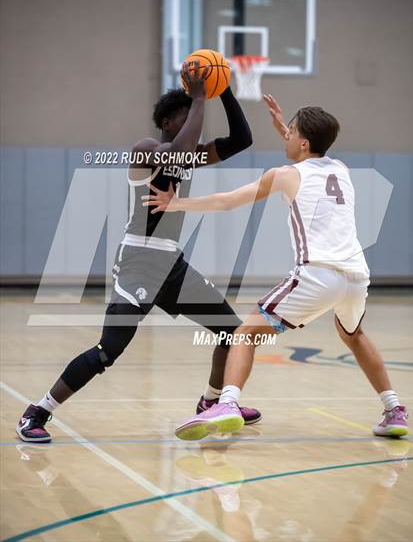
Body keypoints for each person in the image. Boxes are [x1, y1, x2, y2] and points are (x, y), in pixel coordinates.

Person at [16, 63, 261, 443]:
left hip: (172, 263)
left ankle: (212, 402)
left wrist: (223, 89)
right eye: (186, 114)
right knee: (107, 351)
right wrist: (199, 95)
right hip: (139, 262)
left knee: (232, 333)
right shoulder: (147, 150)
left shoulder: (188, 154)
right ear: (165, 121)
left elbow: (242, 139)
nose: (195, 119)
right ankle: (37, 411)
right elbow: (180, 150)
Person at [142, 93, 409, 441]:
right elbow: (314, 150)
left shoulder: (283, 175)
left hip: (318, 274)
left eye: (291, 132)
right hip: (357, 277)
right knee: (354, 335)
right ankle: (393, 410)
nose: (285, 136)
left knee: (243, 333)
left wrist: (177, 204)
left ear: (303, 141)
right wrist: (290, 129)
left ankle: (227, 403)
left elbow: (226, 202)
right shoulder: (342, 170)